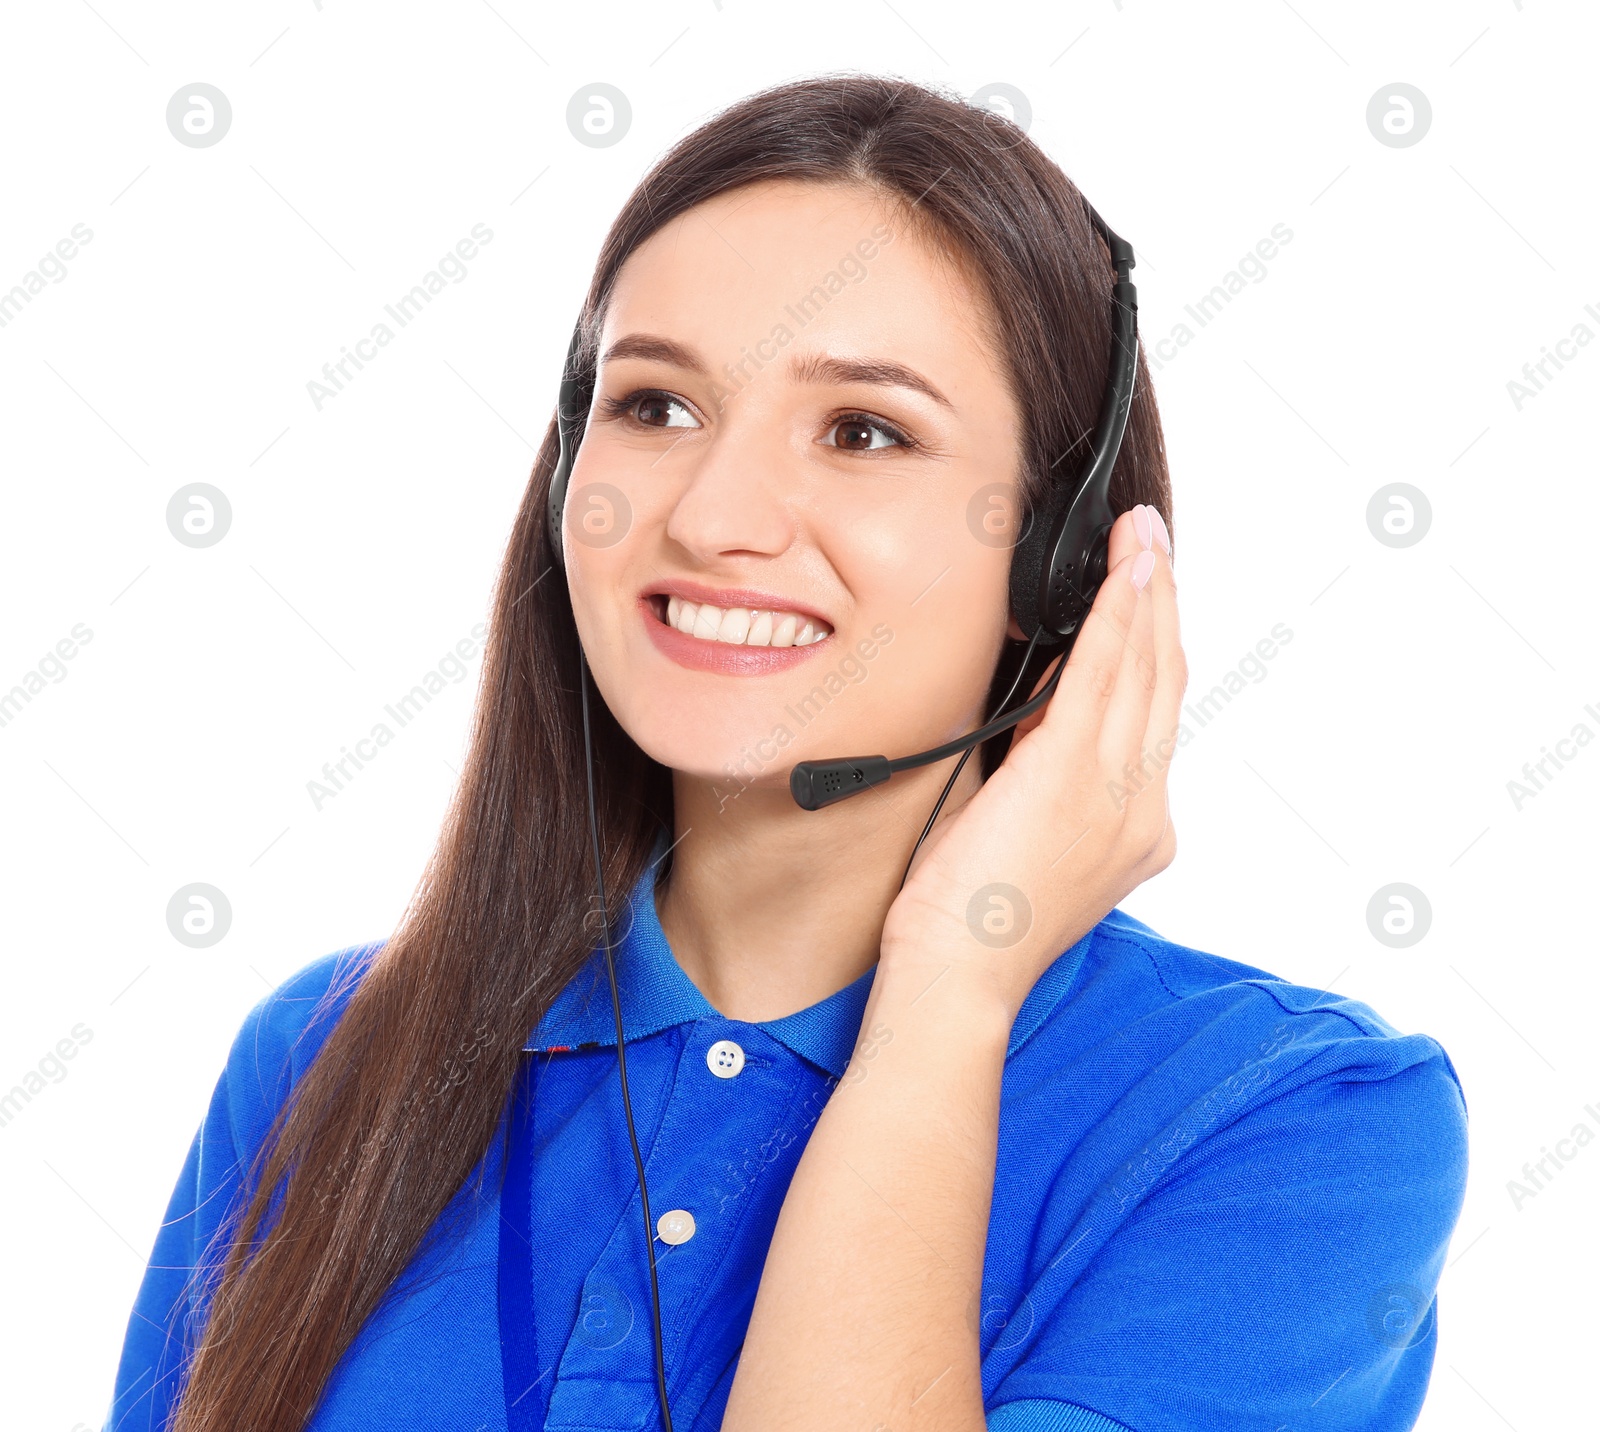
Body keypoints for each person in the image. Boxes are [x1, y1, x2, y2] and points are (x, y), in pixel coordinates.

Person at [105, 74, 1468, 1432]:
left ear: (1057, 562)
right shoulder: (324, 1058)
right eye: (656, 407)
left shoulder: (1293, 1129)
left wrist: (952, 991)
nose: (714, 516)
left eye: (864, 431)